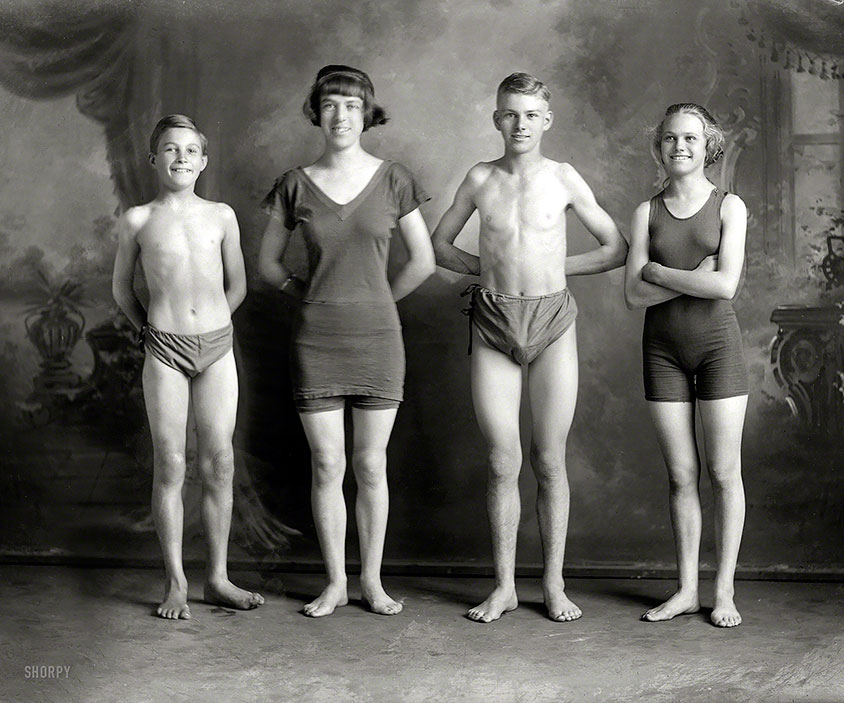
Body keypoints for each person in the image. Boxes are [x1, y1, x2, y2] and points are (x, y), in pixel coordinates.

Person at [432, 73, 627, 623]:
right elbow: (439, 245)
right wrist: (484, 268)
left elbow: (615, 248)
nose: (520, 124)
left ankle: (554, 584)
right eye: (509, 114)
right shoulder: (479, 178)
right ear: (496, 119)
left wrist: (550, 267)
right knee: (501, 461)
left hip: (551, 321)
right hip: (493, 320)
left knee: (549, 458)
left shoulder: (564, 178)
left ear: (547, 120)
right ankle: (503, 587)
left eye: (530, 115)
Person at [258, 65, 435, 617]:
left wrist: (377, 301)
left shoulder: (395, 178)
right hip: (316, 341)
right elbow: (265, 263)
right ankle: (335, 582)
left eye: (352, 106)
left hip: (379, 340)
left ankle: (373, 583)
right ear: (317, 112)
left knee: (371, 465)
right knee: (327, 465)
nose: (341, 115)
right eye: (331, 104)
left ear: (367, 114)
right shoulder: (294, 182)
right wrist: (303, 290)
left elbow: (424, 262)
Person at [112, 114, 262, 620]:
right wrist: (149, 333)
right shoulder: (137, 219)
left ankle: (217, 578)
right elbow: (121, 289)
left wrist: (216, 325)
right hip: (163, 350)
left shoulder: (222, 215)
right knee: (172, 462)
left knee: (220, 463)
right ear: (155, 160)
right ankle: (176, 582)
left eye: (190, 150)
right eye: (170, 150)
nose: (181, 157)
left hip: (217, 346)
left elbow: (237, 284)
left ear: (203, 160)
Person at [624, 103, 749, 628]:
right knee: (681, 476)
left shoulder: (730, 206)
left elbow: (725, 286)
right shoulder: (644, 212)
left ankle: (724, 593)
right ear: (660, 146)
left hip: (719, 349)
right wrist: (685, 272)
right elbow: (633, 295)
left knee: (723, 473)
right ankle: (687, 590)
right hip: (663, 353)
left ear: (708, 147)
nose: (680, 147)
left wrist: (657, 270)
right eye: (671, 138)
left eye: (690, 139)